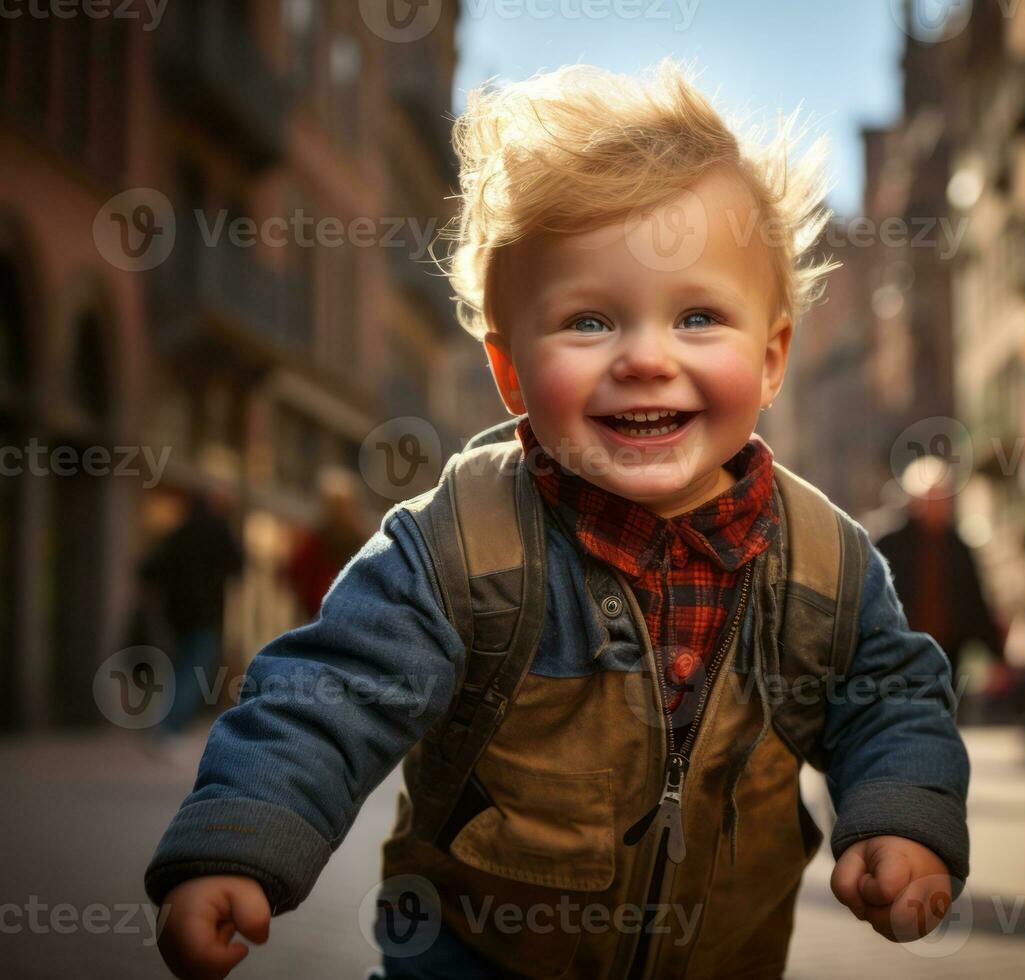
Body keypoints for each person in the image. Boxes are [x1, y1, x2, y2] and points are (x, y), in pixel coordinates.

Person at [144, 60, 970, 980]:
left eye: (698, 316)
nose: (646, 358)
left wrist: (901, 813)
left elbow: (890, 696)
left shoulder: (824, 560)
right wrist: (240, 841)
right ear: (509, 371)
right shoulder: (458, 544)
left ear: (772, 357)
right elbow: (325, 694)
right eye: (587, 322)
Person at [875, 456, 1004, 710]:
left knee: (942, 714)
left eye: (943, 499)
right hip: (901, 648)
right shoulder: (890, 544)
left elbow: (974, 600)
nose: (938, 506)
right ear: (915, 501)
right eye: (931, 499)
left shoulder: (958, 546)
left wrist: (995, 654)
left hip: (947, 650)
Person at [138, 484, 245, 743]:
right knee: (196, 671)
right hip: (205, 614)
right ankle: (169, 728)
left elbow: (148, 569)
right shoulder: (218, 531)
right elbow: (238, 565)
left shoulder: (178, 533)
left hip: (176, 615)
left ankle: (166, 723)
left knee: (182, 668)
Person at [283, 467, 369, 622]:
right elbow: (296, 572)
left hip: (348, 616)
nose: (337, 511)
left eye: (340, 505)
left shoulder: (363, 541)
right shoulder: (314, 539)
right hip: (318, 614)